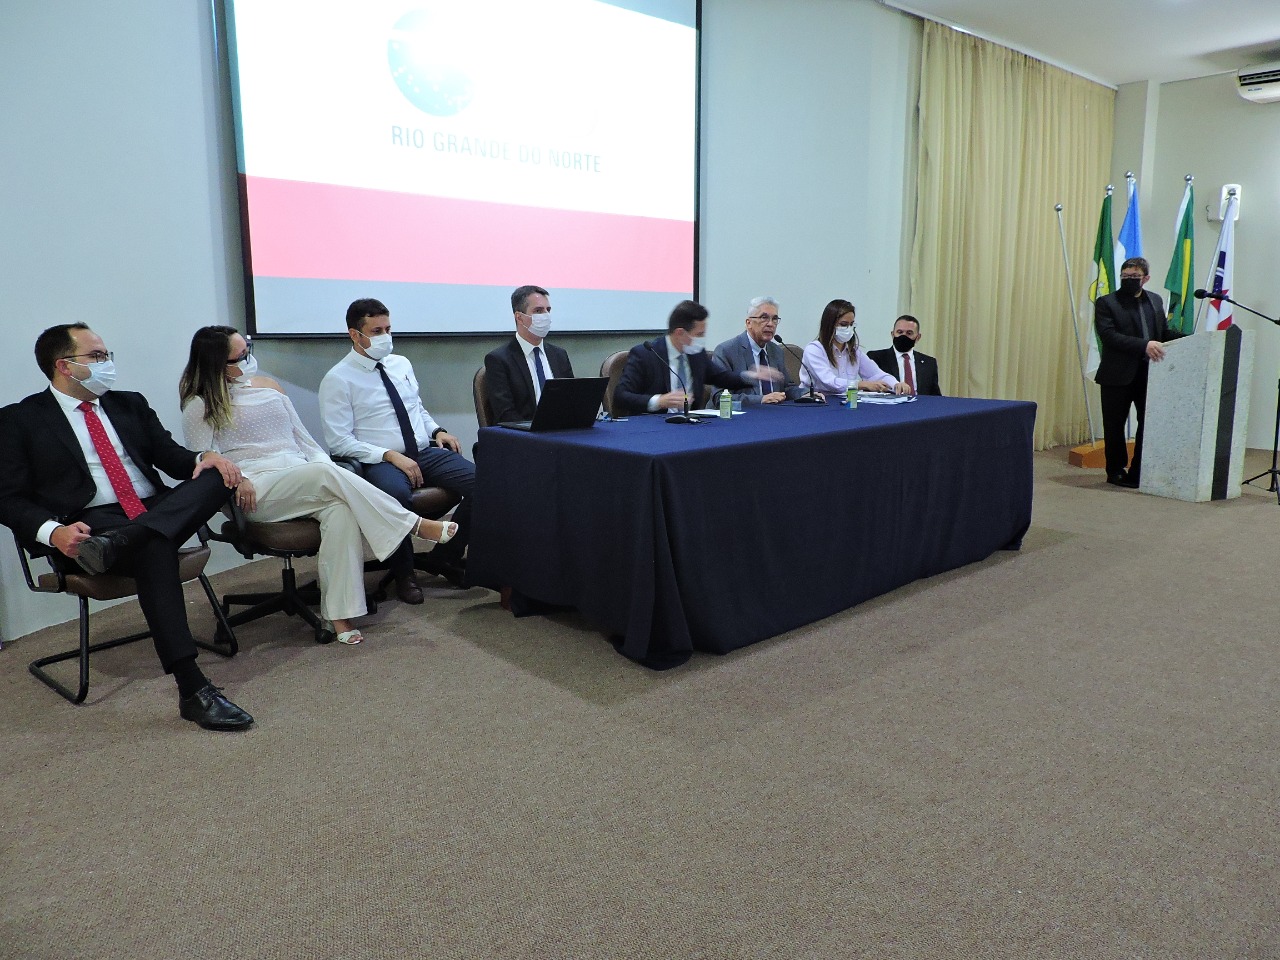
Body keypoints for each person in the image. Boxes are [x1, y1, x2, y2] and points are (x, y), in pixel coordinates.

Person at [0, 323, 253, 730]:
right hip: (89, 523)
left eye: (106, 354)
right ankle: (192, 687)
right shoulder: (19, 419)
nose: (107, 363)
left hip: (149, 511)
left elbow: (170, 456)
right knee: (155, 546)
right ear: (64, 366)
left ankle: (124, 540)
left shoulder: (129, 404)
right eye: (97, 356)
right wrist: (53, 532)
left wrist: (203, 457)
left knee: (217, 476)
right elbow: (8, 498)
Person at [180, 326, 458, 646]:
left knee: (339, 509)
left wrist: (328, 468)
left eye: (248, 351)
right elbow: (206, 462)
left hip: (303, 476)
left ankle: (339, 615)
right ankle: (414, 525)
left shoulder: (270, 387)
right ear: (217, 364)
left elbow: (306, 443)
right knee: (323, 474)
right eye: (239, 357)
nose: (248, 360)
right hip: (254, 489)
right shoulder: (199, 405)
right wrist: (238, 479)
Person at [319, 299, 475, 598]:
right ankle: (405, 574)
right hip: (381, 460)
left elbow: (416, 408)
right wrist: (389, 455)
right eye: (376, 331)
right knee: (396, 496)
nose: (385, 337)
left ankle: (446, 556)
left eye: (388, 329)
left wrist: (437, 430)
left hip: (422, 451)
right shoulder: (338, 379)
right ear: (354, 335)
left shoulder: (401, 364)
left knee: (485, 483)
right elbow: (339, 441)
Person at [1094, 256, 1183, 488]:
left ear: (1146, 278)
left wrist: (1193, 337)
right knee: (1114, 426)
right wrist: (1144, 345)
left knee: (1148, 423)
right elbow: (1109, 336)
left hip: (1149, 374)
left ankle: (1139, 470)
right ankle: (1115, 471)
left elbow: (1162, 333)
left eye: (1134, 276)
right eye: (1125, 276)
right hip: (1117, 375)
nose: (1129, 280)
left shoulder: (1155, 300)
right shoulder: (1106, 303)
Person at [613, 300, 783, 416]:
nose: (702, 340)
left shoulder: (695, 355)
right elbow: (621, 396)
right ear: (680, 333)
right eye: (699, 335)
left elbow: (722, 378)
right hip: (653, 428)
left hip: (691, 425)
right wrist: (659, 401)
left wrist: (750, 375)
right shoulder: (646, 354)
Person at [484, 285, 575, 423]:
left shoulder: (559, 355)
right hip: (525, 432)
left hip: (563, 429)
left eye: (548, 310)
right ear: (519, 317)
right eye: (538, 311)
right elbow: (505, 413)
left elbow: (571, 400)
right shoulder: (498, 360)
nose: (546, 316)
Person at [711, 296, 809, 406]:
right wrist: (761, 400)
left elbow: (787, 389)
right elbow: (719, 397)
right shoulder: (726, 350)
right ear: (748, 323)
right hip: (740, 415)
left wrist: (807, 394)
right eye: (764, 318)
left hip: (772, 413)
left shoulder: (776, 351)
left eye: (774, 319)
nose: (770, 324)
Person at [801, 300, 908, 396]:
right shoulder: (815, 349)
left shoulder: (854, 351)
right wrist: (861, 384)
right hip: (818, 402)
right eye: (843, 324)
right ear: (830, 325)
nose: (849, 328)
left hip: (846, 401)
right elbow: (829, 382)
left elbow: (875, 374)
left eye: (851, 324)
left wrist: (896, 384)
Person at [867, 315, 943, 396]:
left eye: (909, 333)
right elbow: (869, 389)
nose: (903, 336)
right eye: (899, 332)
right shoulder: (877, 358)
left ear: (918, 337)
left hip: (921, 403)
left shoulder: (929, 363)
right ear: (892, 334)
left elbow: (935, 396)